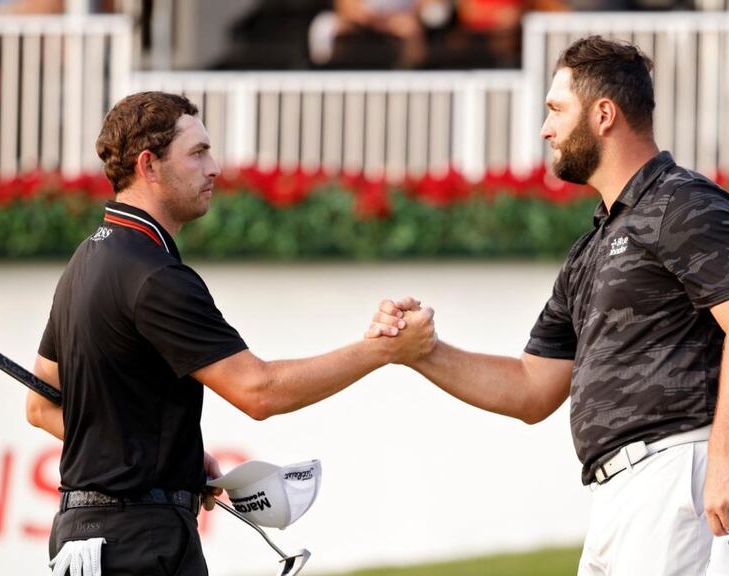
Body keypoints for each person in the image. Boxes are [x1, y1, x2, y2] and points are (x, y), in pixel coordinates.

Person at [369, 36, 729, 575]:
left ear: (603, 114)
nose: (546, 129)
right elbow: (531, 390)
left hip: (680, 478)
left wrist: (727, 456)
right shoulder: (589, 248)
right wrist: (421, 352)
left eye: (555, 110)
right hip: (622, 496)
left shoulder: (684, 202)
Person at [25, 91, 436, 575]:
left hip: (91, 537)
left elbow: (42, 403)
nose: (214, 167)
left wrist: (162, 455)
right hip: (138, 541)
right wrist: (383, 351)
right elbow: (257, 390)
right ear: (149, 166)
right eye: (197, 153)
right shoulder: (154, 275)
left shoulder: (87, 259)